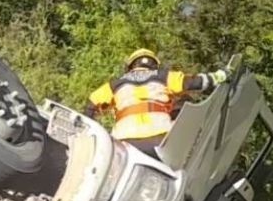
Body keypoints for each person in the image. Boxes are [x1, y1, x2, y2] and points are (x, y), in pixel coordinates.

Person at [83, 48, 229, 152]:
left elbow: (91, 105)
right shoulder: (163, 76)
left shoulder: (114, 85)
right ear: (154, 64)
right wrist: (219, 76)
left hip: (125, 142)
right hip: (162, 139)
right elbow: (194, 83)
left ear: (130, 66)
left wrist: (92, 136)